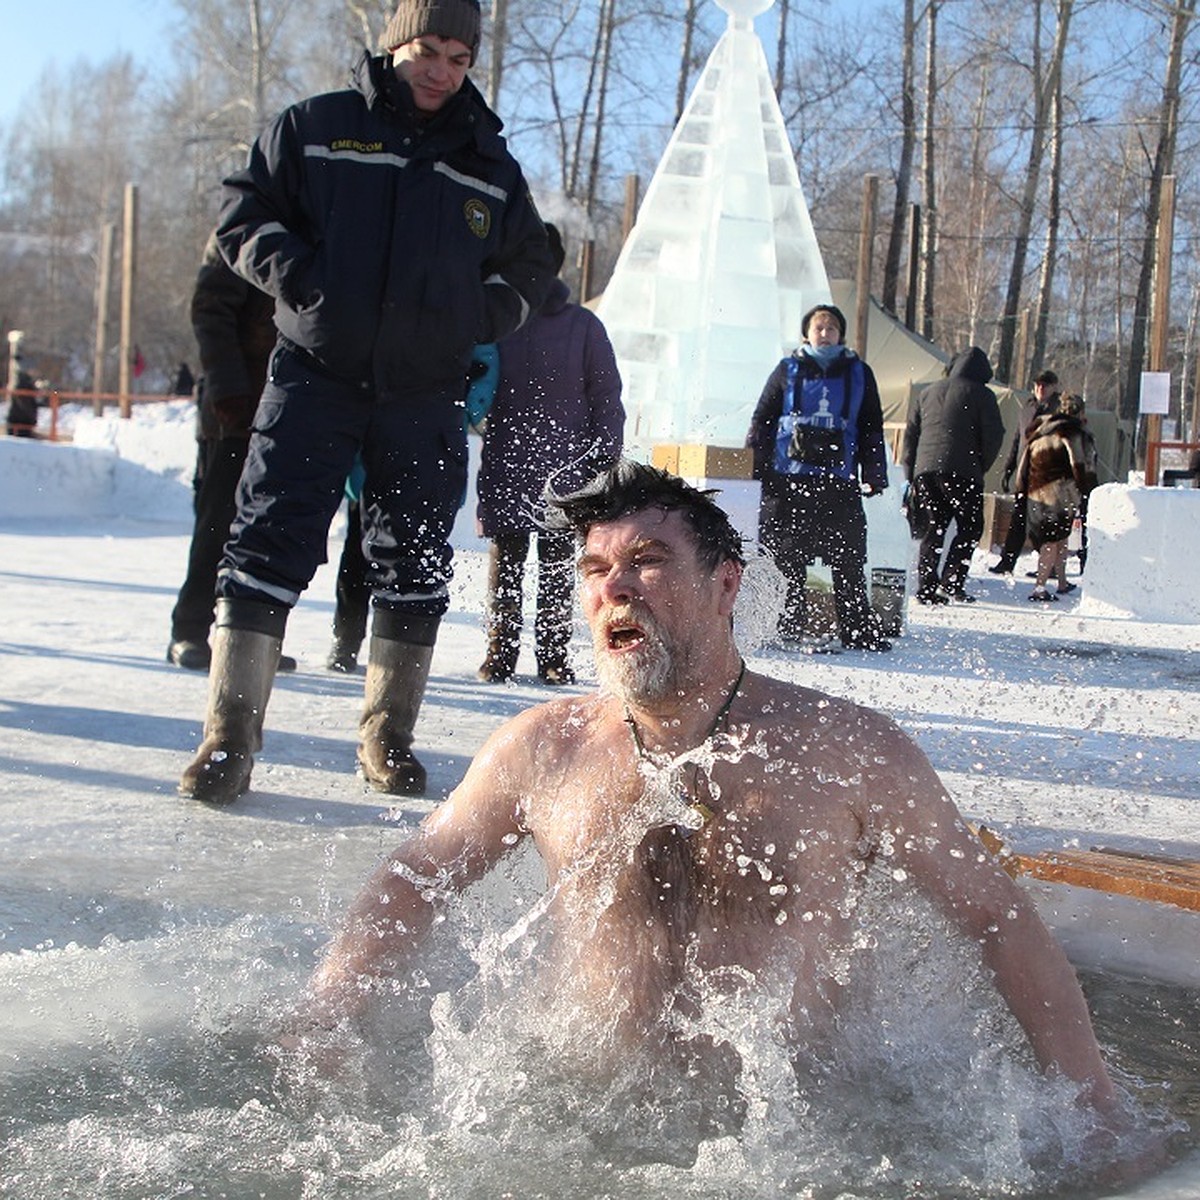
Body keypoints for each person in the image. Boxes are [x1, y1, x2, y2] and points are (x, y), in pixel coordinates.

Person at [292, 460, 1124, 1139]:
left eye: (647, 561)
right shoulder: (545, 747)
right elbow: (416, 876)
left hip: (795, 1136)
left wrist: (1092, 1106)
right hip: (578, 1119)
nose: (614, 587)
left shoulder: (849, 751)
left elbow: (993, 916)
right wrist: (327, 1012)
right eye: (595, 569)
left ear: (726, 586)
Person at [178, 0, 557, 805]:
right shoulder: (316, 127)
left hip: (424, 390)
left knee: (415, 556)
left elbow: (533, 261)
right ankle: (228, 739)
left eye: (459, 56)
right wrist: (305, 283)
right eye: (428, 48)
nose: (441, 70)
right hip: (316, 373)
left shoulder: (486, 160)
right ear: (394, 44)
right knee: (267, 539)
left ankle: (388, 737)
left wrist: (477, 316)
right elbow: (243, 212)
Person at [475, 222, 625, 685]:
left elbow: (606, 394)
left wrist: (604, 456)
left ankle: (553, 654)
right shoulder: (498, 320)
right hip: (507, 462)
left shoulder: (582, 325)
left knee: (558, 567)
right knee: (507, 563)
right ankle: (500, 652)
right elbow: (478, 384)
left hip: (566, 473)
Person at [166, 232, 297, 674]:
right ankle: (188, 630)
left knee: (271, 532)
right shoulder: (241, 228)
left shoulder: (314, 216)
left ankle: (253, 639)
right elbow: (210, 310)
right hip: (234, 409)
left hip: (290, 408)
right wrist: (228, 389)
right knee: (216, 523)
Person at [745, 303, 892, 651]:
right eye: (818, 328)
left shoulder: (860, 372)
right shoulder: (786, 370)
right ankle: (784, 626)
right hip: (788, 484)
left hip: (837, 485)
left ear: (841, 334)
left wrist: (874, 472)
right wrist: (754, 472)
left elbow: (872, 426)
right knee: (785, 560)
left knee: (850, 559)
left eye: (831, 329)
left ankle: (857, 631)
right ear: (806, 334)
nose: (825, 334)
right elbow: (762, 421)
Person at [902, 346, 1005, 604]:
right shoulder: (983, 394)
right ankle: (951, 582)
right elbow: (994, 436)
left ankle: (925, 587)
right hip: (963, 472)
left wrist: (911, 471)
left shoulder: (927, 392)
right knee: (970, 527)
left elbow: (911, 434)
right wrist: (980, 466)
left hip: (925, 471)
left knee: (933, 527)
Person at [1017, 393, 1097, 601]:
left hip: (1036, 493)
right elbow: (1079, 464)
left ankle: (1061, 582)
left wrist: (1020, 489)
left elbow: (1024, 463)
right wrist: (1088, 489)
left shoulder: (1040, 432)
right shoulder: (1072, 433)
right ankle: (1039, 587)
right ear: (1080, 412)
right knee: (1051, 541)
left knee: (1060, 539)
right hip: (1060, 494)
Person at [988, 368, 1061, 576]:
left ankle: (1051, 567)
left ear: (1053, 387)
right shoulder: (1027, 408)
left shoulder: (1057, 410)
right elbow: (1017, 440)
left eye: (1045, 385)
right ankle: (1007, 562)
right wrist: (1008, 469)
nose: (1040, 388)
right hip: (1025, 470)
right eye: (1038, 384)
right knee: (1019, 519)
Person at [5, 366, 39, 437]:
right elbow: (25, 403)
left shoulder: (27, 383)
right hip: (20, 420)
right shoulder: (23, 383)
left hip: (22, 420)